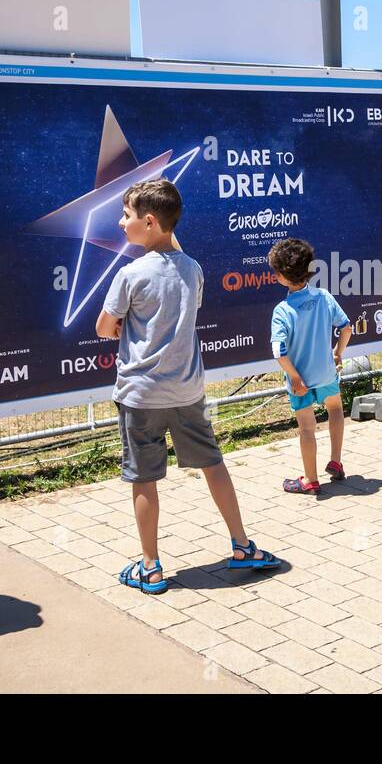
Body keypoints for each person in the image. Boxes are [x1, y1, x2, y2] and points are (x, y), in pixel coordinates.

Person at [97, 179, 280, 595]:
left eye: (126, 215)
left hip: (140, 395)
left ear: (148, 221)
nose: (120, 222)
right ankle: (242, 546)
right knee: (213, 464)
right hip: (187, 391)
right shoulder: (193, 268)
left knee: (144, 479)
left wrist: (128, 326)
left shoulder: (129, 274)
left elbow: (105, 327)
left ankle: (151, 567)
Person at [266, 238, 353, 495]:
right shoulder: (324, 297)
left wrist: (294, 377)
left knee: (306, 428)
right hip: (326, 373)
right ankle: (336, 461)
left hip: (300, 382)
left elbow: (278, 351)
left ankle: (311, 479)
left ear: (281, 276)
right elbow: (346, 327)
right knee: (336, 410)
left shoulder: (282, 310)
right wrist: (337, 353)